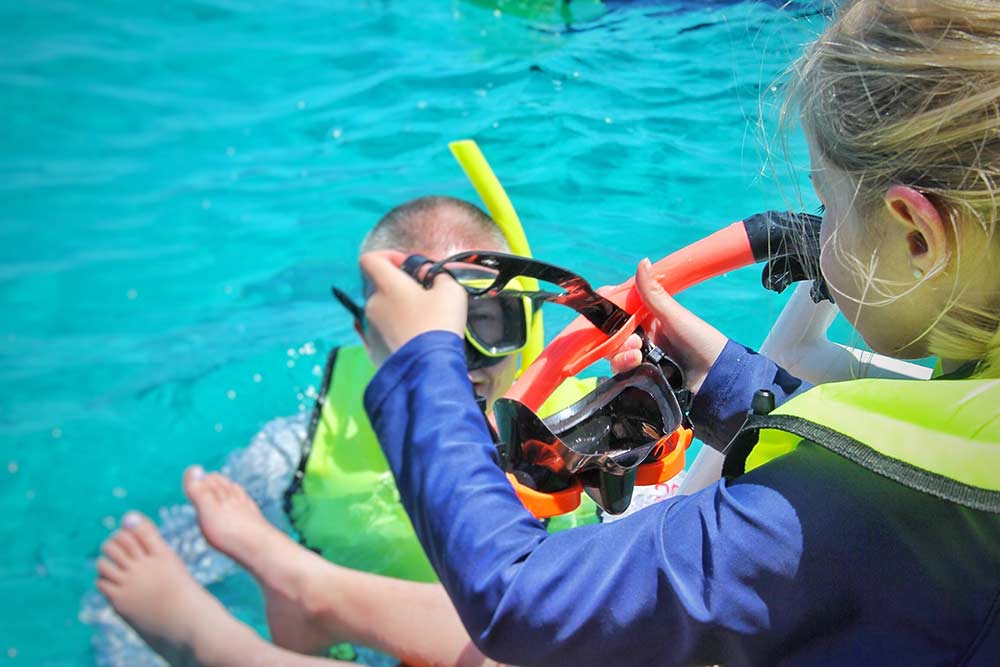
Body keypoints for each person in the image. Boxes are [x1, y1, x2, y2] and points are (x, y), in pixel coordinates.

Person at [346, 2, 999, 665]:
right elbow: (924, 447)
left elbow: (521, 596)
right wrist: (715, 377)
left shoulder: (832, 514)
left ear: (917, 236)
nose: (818, 235)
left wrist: (421, 365)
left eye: (826, 207)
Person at [92, 195, 598, 667]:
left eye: (484, 321)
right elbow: (124, 594)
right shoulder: (296, 447)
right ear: (366, 337)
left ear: (529, 322)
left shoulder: (601, 438)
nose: (450, 362)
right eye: (417, 336)